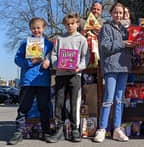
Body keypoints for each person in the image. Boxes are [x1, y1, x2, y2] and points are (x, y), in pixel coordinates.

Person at [93, 2, 136, 143]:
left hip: (124, 67)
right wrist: (123, 44)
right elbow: (104, 47)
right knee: (108, 98)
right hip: (111, 66)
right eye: (116, 12)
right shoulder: (106, 27)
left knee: (119, 99)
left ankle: (117, 128)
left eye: (121, 13)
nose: (118, 15)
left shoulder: (126, 29)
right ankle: (102, 128)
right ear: (111, 13)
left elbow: (133, 41)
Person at [7, 17, 53, 145]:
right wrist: (30, 62)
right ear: (30, 29)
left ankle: (46, 132)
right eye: (34, 28)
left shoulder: (49, 44)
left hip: (43, 81)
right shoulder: (25, 42)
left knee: (44, 108)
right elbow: (17, 60)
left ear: (44, 28)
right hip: (28, 81)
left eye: (39, 27)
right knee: (23, 108)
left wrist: (49, 62)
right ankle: (19, 132)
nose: (36, 30)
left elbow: (54, 58)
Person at [47, 13, 89, 143]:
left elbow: (85, 57)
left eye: (73, 23)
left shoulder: (82, 39)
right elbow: (53, 55)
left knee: (74, 102)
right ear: (65, 25)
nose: (70, 26)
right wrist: (56, 64)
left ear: (77, 24)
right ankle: (58, 129)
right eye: (68, 24)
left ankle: (74, 129)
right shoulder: (59, 38)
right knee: (59, 102)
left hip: (75, 75)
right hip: (60, 75)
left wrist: (79, 67)